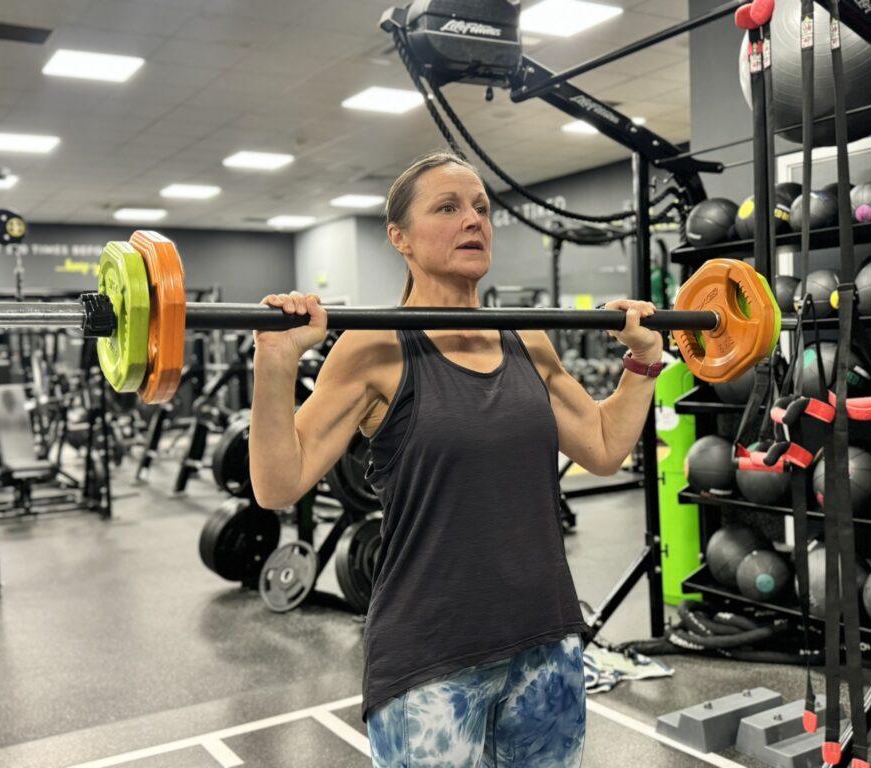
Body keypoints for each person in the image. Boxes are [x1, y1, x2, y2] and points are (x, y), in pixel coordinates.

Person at [249, 150, 662, 767]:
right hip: (432, 659)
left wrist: (643, 361)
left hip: (545, 641)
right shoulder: (375, 345)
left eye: (481, 208)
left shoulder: (526, 336)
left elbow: (603, 447)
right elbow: (278, 485)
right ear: (400, 238)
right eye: (447, 208)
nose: (473, 220)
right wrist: (276, 364)